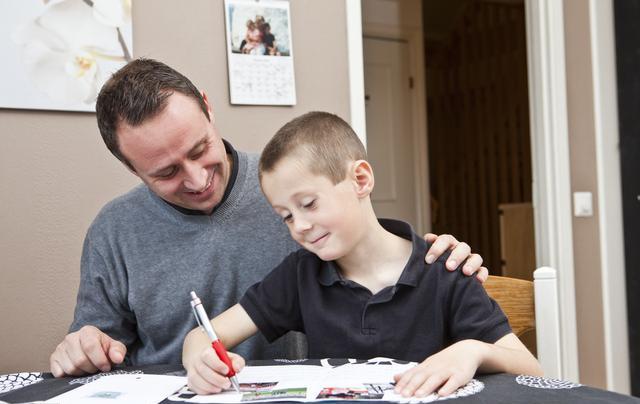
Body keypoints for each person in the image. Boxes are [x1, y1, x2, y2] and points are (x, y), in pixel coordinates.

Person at [48, 58, 487, 378]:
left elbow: (370, 242)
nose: (198, 178)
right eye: (166, 172)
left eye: (201, 149)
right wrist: (85, 346)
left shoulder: (288, 188)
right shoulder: (113, 231)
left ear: (207, 107)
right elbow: (99, 343)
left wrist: (444, 256)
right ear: (132, 168)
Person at [182, 111, 542, 397]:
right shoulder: (301, 275)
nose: (300, 226)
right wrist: (198, 358)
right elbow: (204, 336)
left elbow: (532, 370)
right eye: (286, 216)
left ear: (360, 180)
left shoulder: (443, 269)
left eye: (308, 204)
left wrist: (472, 351)